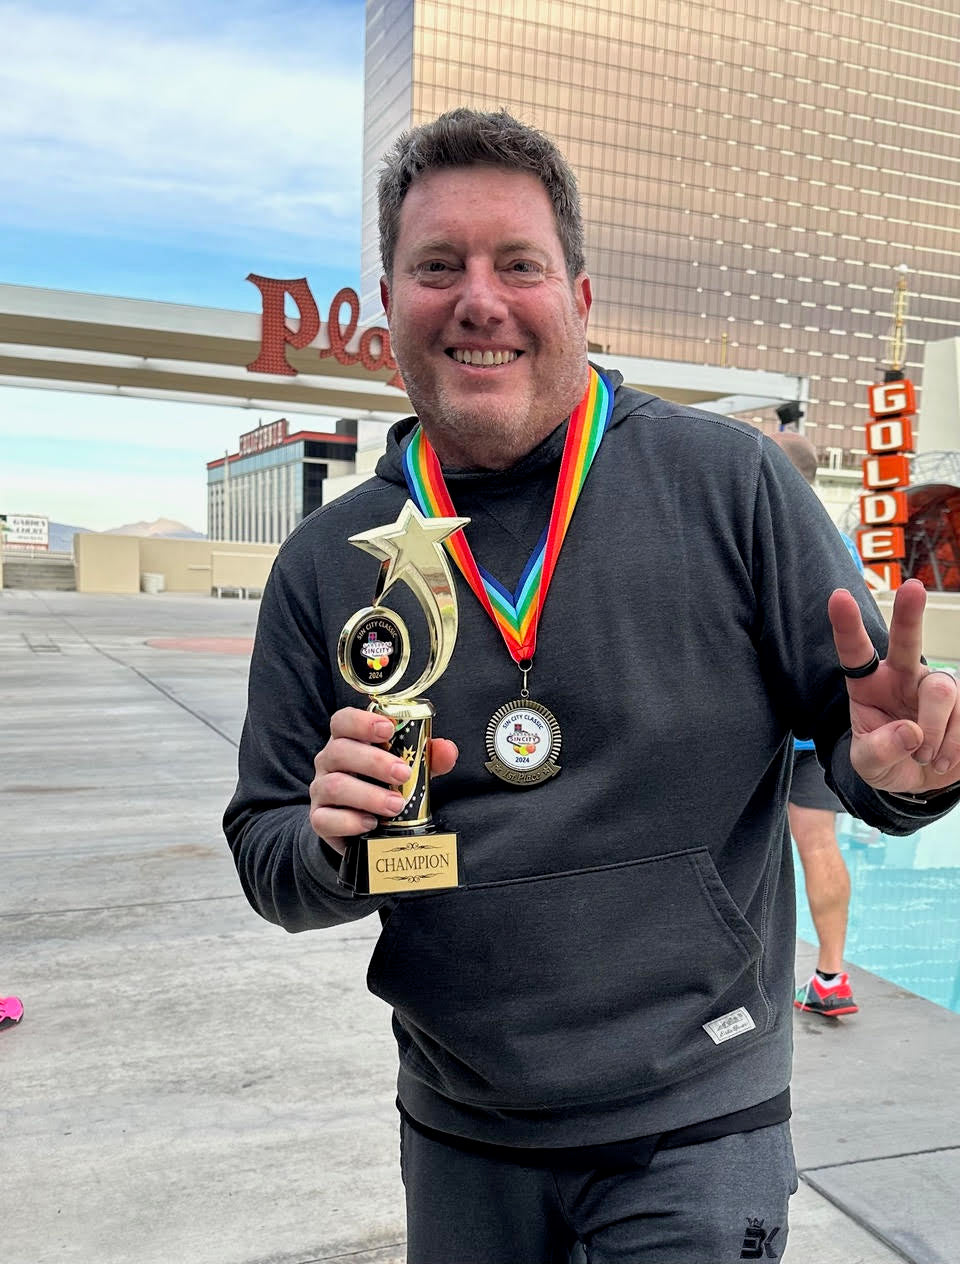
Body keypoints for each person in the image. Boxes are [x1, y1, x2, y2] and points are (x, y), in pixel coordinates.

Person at [225, 109, 960, 1264]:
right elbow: (271, 856)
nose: (480, 298)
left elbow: (867, 752)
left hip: (696, 1120)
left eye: (517, 263)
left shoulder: (731, 486)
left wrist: (902, 778)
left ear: (578, 293)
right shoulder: (328, 563)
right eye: (437, 266)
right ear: (389, 303)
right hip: (463, 1130)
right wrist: (325, 842)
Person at [772, 432, 862, 1018]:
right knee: (819, 843)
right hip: (819, 723)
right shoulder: (841, 545)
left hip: (769, 729)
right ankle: (832, 976)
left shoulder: (767, 532)